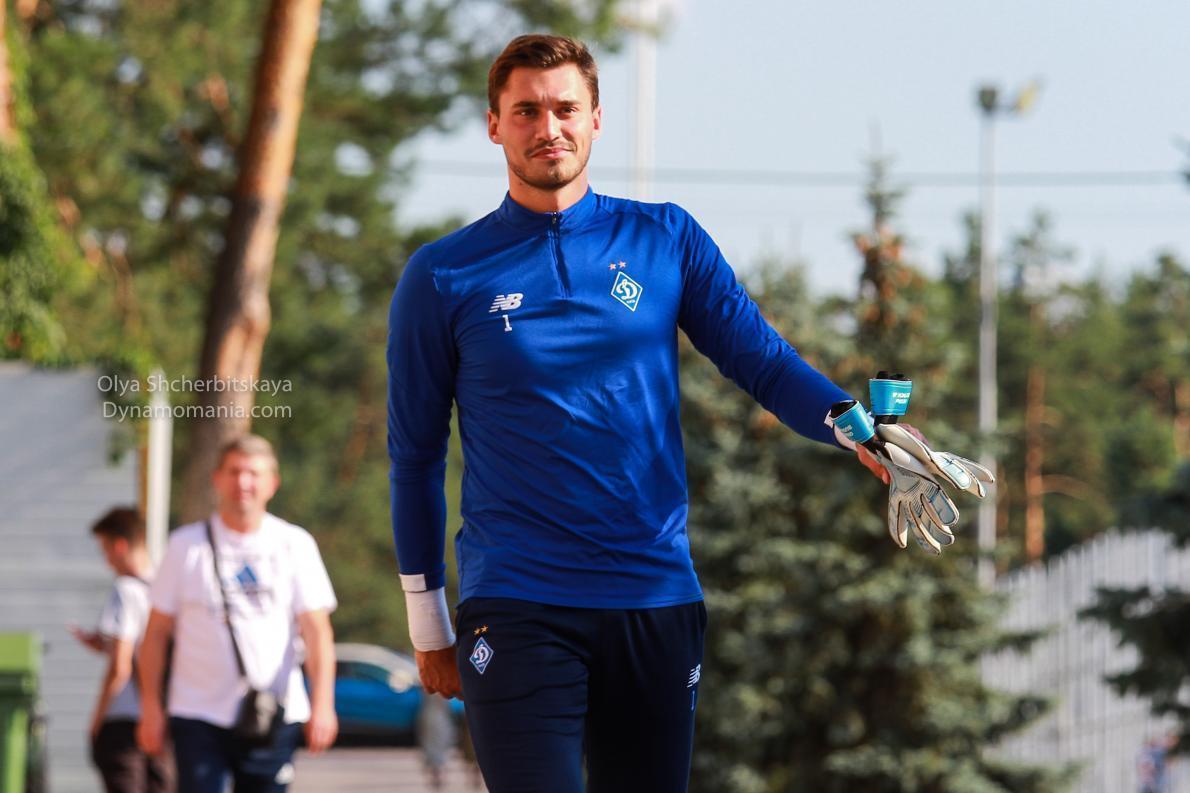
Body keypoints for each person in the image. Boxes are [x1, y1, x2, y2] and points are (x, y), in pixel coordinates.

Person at [385, 34, 890, 793]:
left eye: (565, 109)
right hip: (517, 601)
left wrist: (852, 424)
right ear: (494, 125)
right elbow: (416, 456)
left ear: (596, 119)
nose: (548, 128)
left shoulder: (666, 238)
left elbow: (762, 360)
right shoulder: (441, 274)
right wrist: (429, 623)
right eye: (526, 111)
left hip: (654, 595)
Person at [135, 434, 339, 793]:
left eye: (253, 473)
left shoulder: (294, 544)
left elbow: (317, 631)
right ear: (217, 479)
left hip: (272, 711)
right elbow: (155, 632)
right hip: (197, 712)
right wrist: (150, 706)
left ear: (272, 483)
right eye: (234, 472)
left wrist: (323, 703)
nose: (243, 482)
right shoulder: (185, 545)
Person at [73, 507, 175, 793]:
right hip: (161, 719)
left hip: (124, 721)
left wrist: (96, 721)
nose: (106, 561)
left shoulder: (125, 590)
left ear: (119, 546)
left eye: (105, 550)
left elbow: (121, 667)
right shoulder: (164, 588)